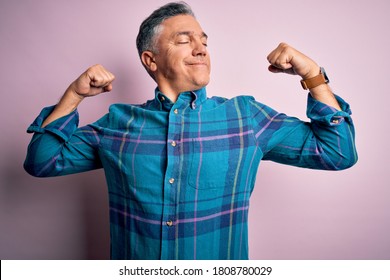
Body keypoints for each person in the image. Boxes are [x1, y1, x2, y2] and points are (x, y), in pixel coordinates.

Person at [24, 2, 357, 260]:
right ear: (150, 61)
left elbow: (338, 153)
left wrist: (313, 75)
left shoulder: (246, 117)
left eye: (203, 41)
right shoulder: (117, 123)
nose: (201, 49)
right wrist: (74, 95)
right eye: (184, 40)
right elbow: (42, 161)